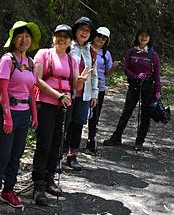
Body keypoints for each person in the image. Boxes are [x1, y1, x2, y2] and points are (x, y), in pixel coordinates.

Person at [31, 24, 92, 206]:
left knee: (57, 144)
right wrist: (58, 95)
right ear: (53, 37)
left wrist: (80, 82)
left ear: (70, 41)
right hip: (46, 104)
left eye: (66, 36)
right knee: (44, 144)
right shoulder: (43, 54)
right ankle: (38, 185)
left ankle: (49, 179)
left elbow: (76, 87)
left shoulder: (72, 61)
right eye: (59, 35)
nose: (62, 39)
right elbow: (37, 79)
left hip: (64, 106)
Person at [0, 21, 41, 215]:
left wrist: (34, 114)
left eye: (27, 36)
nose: (24, 40)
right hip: (6, 113)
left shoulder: (32, 62)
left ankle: (8, 191)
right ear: (13, 39)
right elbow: (2, 92)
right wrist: (7, 118)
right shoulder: (7, 60)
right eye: (20, 36)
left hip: (24, 114)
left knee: (15, 156)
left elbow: (32, 91)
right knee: (2, 156)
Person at [102, 28, 161, 151]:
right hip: (133, 86)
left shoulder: (152, 55)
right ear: (137, 37)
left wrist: (157, 91)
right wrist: (136, 76)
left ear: (150, 39)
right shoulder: (131, 52)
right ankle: (116, 137)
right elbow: (126, 69)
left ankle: (139, 141)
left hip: (147, 88)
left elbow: (157, 75)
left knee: (145, 115)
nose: (143, 38)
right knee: (126, 112)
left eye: (146, 36)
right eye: (141, 35)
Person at [65, 16, 98, 170]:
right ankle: (58, 156)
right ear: (75, 31)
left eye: (87, 31)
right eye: (82, 30)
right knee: (64, 125)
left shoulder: (91, 51)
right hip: (67, 93)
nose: (84, 33)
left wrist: (94, 94)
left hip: (84, 94)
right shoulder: (67, 46)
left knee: (78, 125)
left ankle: (72, 156)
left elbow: (94, 73)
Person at [85, 26, 121, 154]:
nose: (101, 39)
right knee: (79, 113)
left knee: (95, 115)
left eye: (104, 38)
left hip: (99, 87)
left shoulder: (106, 54)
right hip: (83, 86)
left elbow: (107, 72)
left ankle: (91, 139)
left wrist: (114, 67)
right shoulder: (85, 48)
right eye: (99, 36)